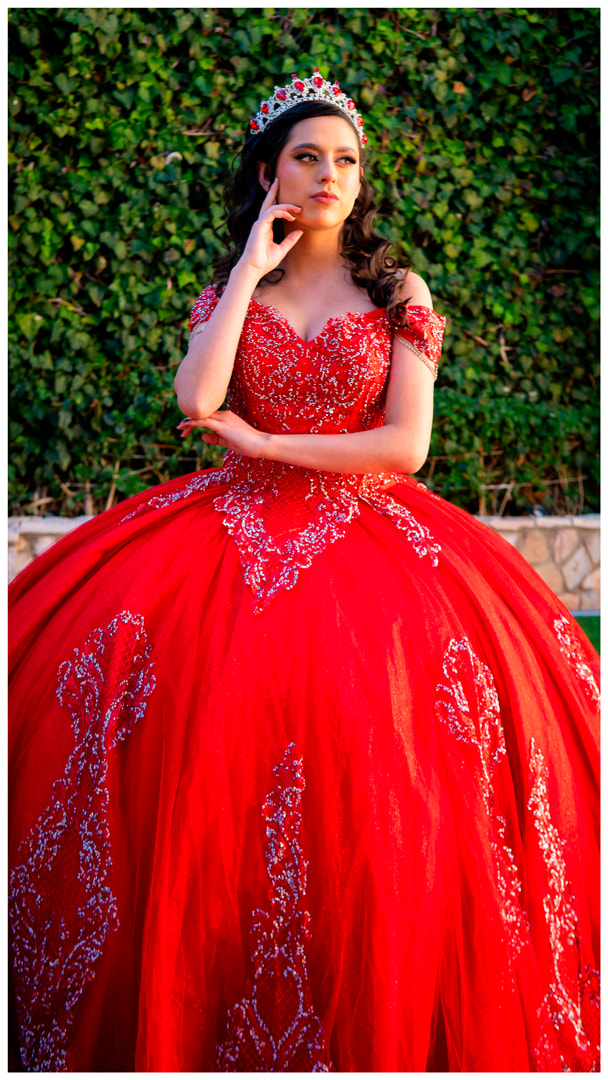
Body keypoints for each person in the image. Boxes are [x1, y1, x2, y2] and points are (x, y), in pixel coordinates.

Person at [8, 70, 599, 1073]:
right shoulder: (238, 286)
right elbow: (199, 399)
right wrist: (248, 268)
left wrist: (271, 447)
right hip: (224, 538)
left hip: (370, 535)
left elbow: (403, 448)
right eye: (307, 156)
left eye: (346, 160)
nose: (330, 174)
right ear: (268, 171)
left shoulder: (397, 293)